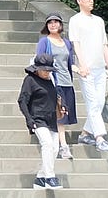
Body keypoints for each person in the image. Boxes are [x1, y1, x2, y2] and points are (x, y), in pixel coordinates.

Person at [69, 0, 108, 151]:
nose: (91, 1)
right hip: (86, 69)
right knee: (92, 103)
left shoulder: (98, 21)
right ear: (79, 1)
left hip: (100, 68)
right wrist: (82, 64)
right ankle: (99, 137)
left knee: (100, 102)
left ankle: (84, 133)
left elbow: (104, 44)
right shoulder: (76, 20)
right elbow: (76, 44)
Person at [18, 53, 63, 191]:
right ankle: (50, 177)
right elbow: (22, 101)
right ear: (36, 68)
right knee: (47, 144)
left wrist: (63, 107)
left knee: (55, 148)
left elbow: (54, 97)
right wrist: (29, 119)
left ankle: (40, 177)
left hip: (51, 119)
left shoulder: (50, 80)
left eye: (49, 70)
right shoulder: (30, 80)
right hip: (37, 118)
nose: (47, 72)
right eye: (44, 70)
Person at [36, 14, 78, 159]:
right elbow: (39, 62)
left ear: (60, 25)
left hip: (67, 82)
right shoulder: (44, 42)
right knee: (60, 114)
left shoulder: (66, 43)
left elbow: (70, 62)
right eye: (50, 23)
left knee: (63, 115)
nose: (53, 25)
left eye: (56, 22)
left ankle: (59, 145)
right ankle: (63, 146)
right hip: (53, 82)